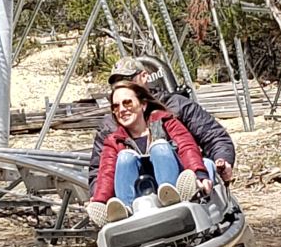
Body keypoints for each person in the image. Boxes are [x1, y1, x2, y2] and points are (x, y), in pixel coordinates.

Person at [88, 56, 236, 190]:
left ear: (144, 76)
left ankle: (180, 194)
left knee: (162, 150)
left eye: (127, 79)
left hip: (184, 177)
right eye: (116, 83)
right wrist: (97, 196)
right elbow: (100, 168)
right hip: (139, 190)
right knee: (124, 159)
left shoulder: (176, 106)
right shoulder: (110, 125)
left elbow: (212, 136)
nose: (123, 86)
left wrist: (221, 160)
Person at [86, 82, 212, 226]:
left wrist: (199, 173)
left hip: (171, 183)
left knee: (159, 147)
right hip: (138, 200)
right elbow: (106, 172)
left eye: (127, 103)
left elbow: (187, 147)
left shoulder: (165, 123)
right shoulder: (114, 140)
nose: (121, 109)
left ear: (143, 105)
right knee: (124, 157)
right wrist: (99, 200)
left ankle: (172, 196)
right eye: (116, 106)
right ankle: (124, 211)